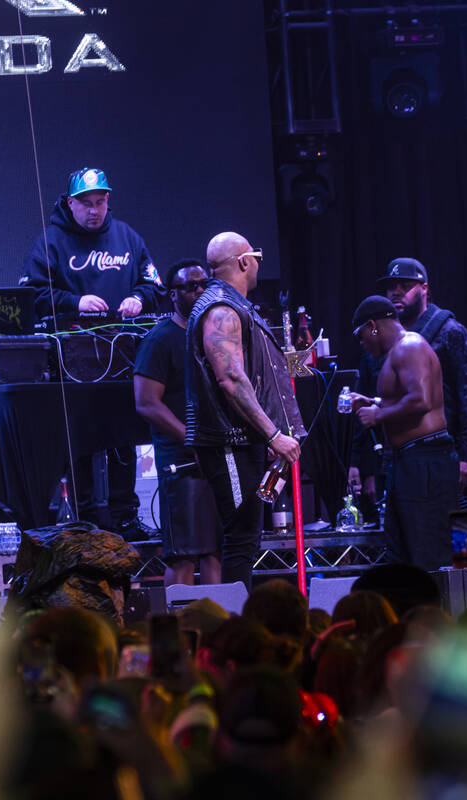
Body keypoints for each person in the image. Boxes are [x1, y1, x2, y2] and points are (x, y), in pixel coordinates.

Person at [21, 167, 162, 539]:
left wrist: (137, 297)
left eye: (100, 202)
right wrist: (73, 301)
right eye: (86, 203)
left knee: (124, 435)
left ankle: (125, 516)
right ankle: (83, 517)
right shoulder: (50, 241)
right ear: (70, 203)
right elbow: (31, 296)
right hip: (72, 358)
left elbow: (154, 283)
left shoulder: (126, 237)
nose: (94, 210)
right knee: (79, 438)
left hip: (123, 354)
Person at [186, 232, 305, 589]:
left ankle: (239, 622)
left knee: (246, 536)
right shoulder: (221, 309)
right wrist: (272, 433)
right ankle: (235, 630)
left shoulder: (232, 305)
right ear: (243, 261)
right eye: (256, 256)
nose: (258, 264)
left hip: (241, 440)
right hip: (228, 441)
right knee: (241, 535)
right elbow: (232, 379)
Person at [349, 257, 467, 500]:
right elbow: (382, 397)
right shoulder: (379, 337)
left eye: (406, 286)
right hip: (395, 456)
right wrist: (362, 465)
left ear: (424, 289)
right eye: (392, 287)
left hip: (440, 454)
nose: (397, 292)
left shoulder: (449, 332)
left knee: (445, 530)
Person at [348, 296, 459, 571]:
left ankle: (438, 613)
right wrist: (373, 403)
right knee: (401, 552)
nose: (362, 343)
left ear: (372, 326)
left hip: (426, 461)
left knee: (427, 552)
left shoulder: (410, 346)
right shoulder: (397, 353)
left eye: (361, 335)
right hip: (407, 462)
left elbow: (420, 400)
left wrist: (378, 415)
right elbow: (405, 398)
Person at [133, 259, 222, 586]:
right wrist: (191, 439)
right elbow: (146, 403)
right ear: (173, 294)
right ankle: (180, 633)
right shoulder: (160, 339)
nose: (199, 291)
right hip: (183, 460)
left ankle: (220, 628)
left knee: (216, 551)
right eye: (190, 286)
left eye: (204, 285)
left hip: (218, 455)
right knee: (184, 552)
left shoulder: (214, 335)